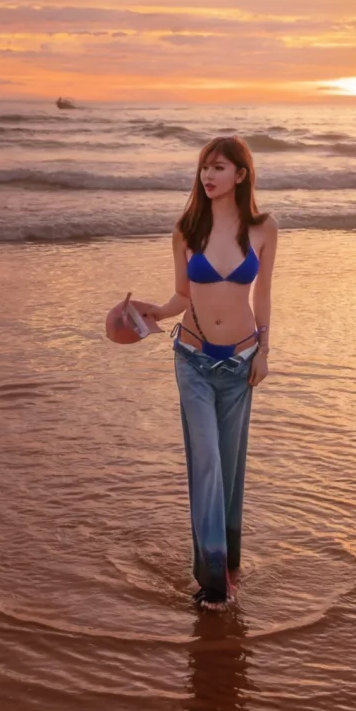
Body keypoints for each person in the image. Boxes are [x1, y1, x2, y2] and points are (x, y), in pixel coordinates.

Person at [127, 136, 278, 610]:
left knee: (231, 467)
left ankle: (230, 565)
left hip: (240, 362)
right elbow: (181, 298)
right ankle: (213, 579)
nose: (207, 177)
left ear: (241, 174)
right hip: (191, 359)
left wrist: (264, 353)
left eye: (217, 168)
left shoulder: (263, 228)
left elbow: (262, 297)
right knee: (208, 460)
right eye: (203, 169)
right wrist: (154, 312)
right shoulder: (185, 229)